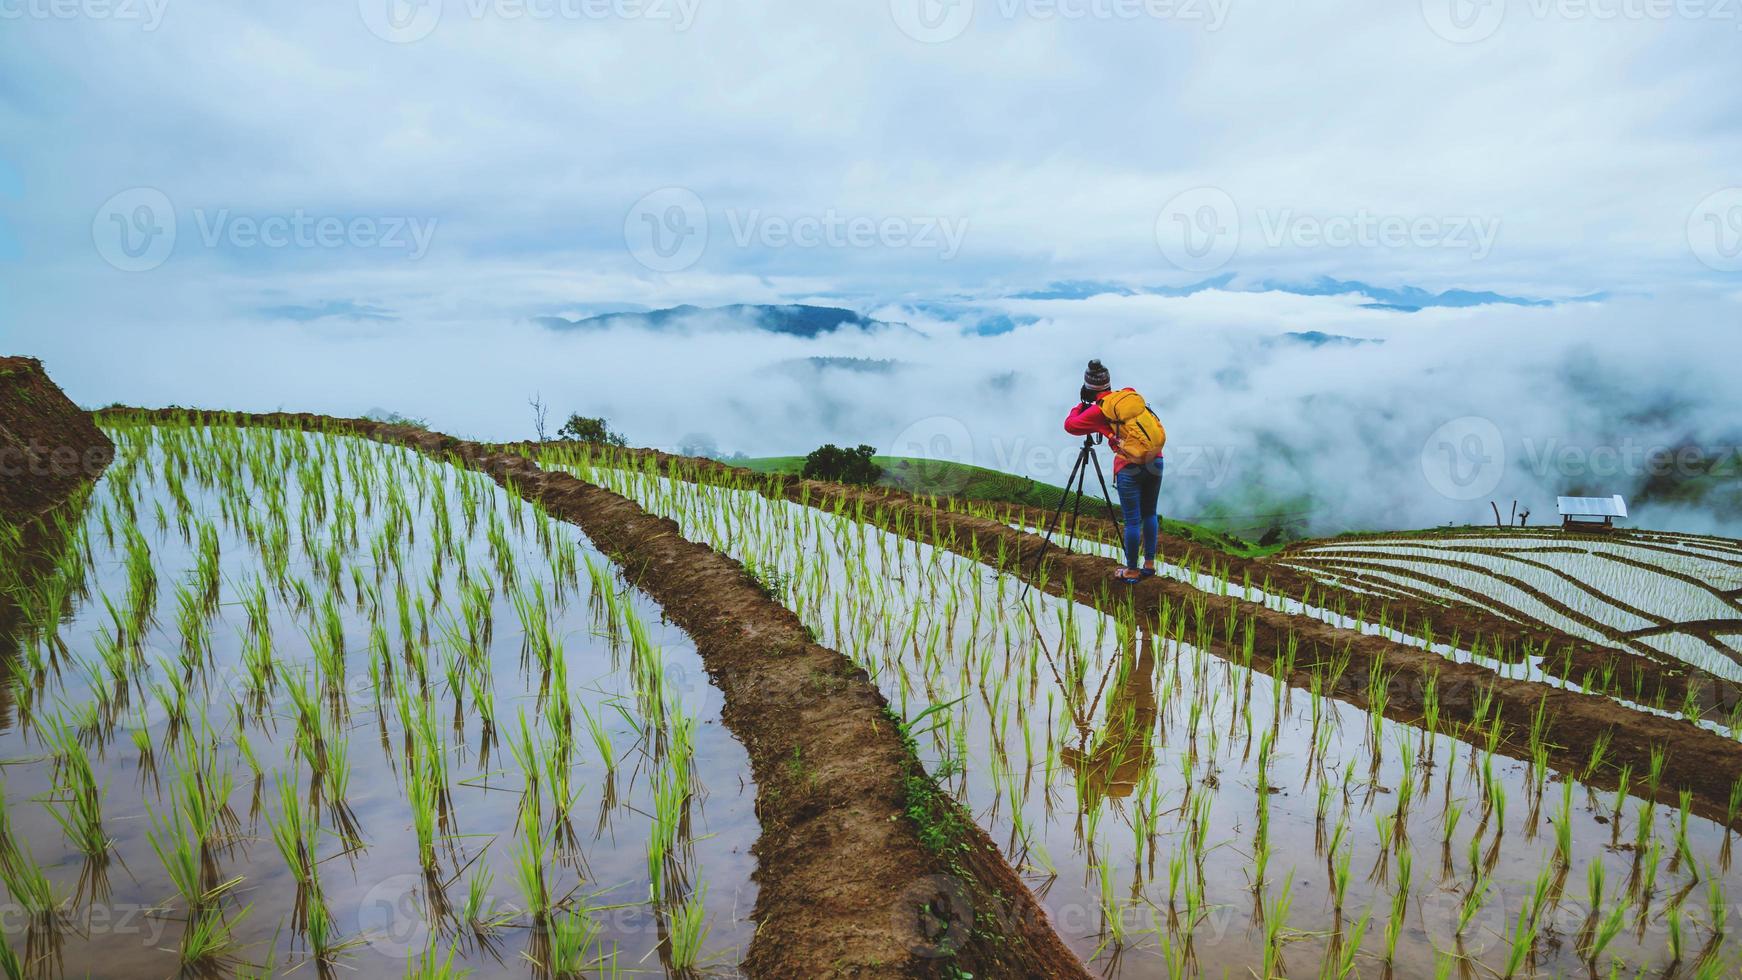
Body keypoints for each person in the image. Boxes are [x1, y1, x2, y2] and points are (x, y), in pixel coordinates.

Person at [1064, 359, 1165, 584]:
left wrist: (1081, 405)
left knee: (1132, 521)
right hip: (1155, 459)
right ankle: (1149, 565)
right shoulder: (1128, 395)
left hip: (1129, 466)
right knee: (1150, 513)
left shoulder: (1098, 412)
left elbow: (1070, 425)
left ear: (1088, 387)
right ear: (1109, 384)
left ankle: (1131, 570)